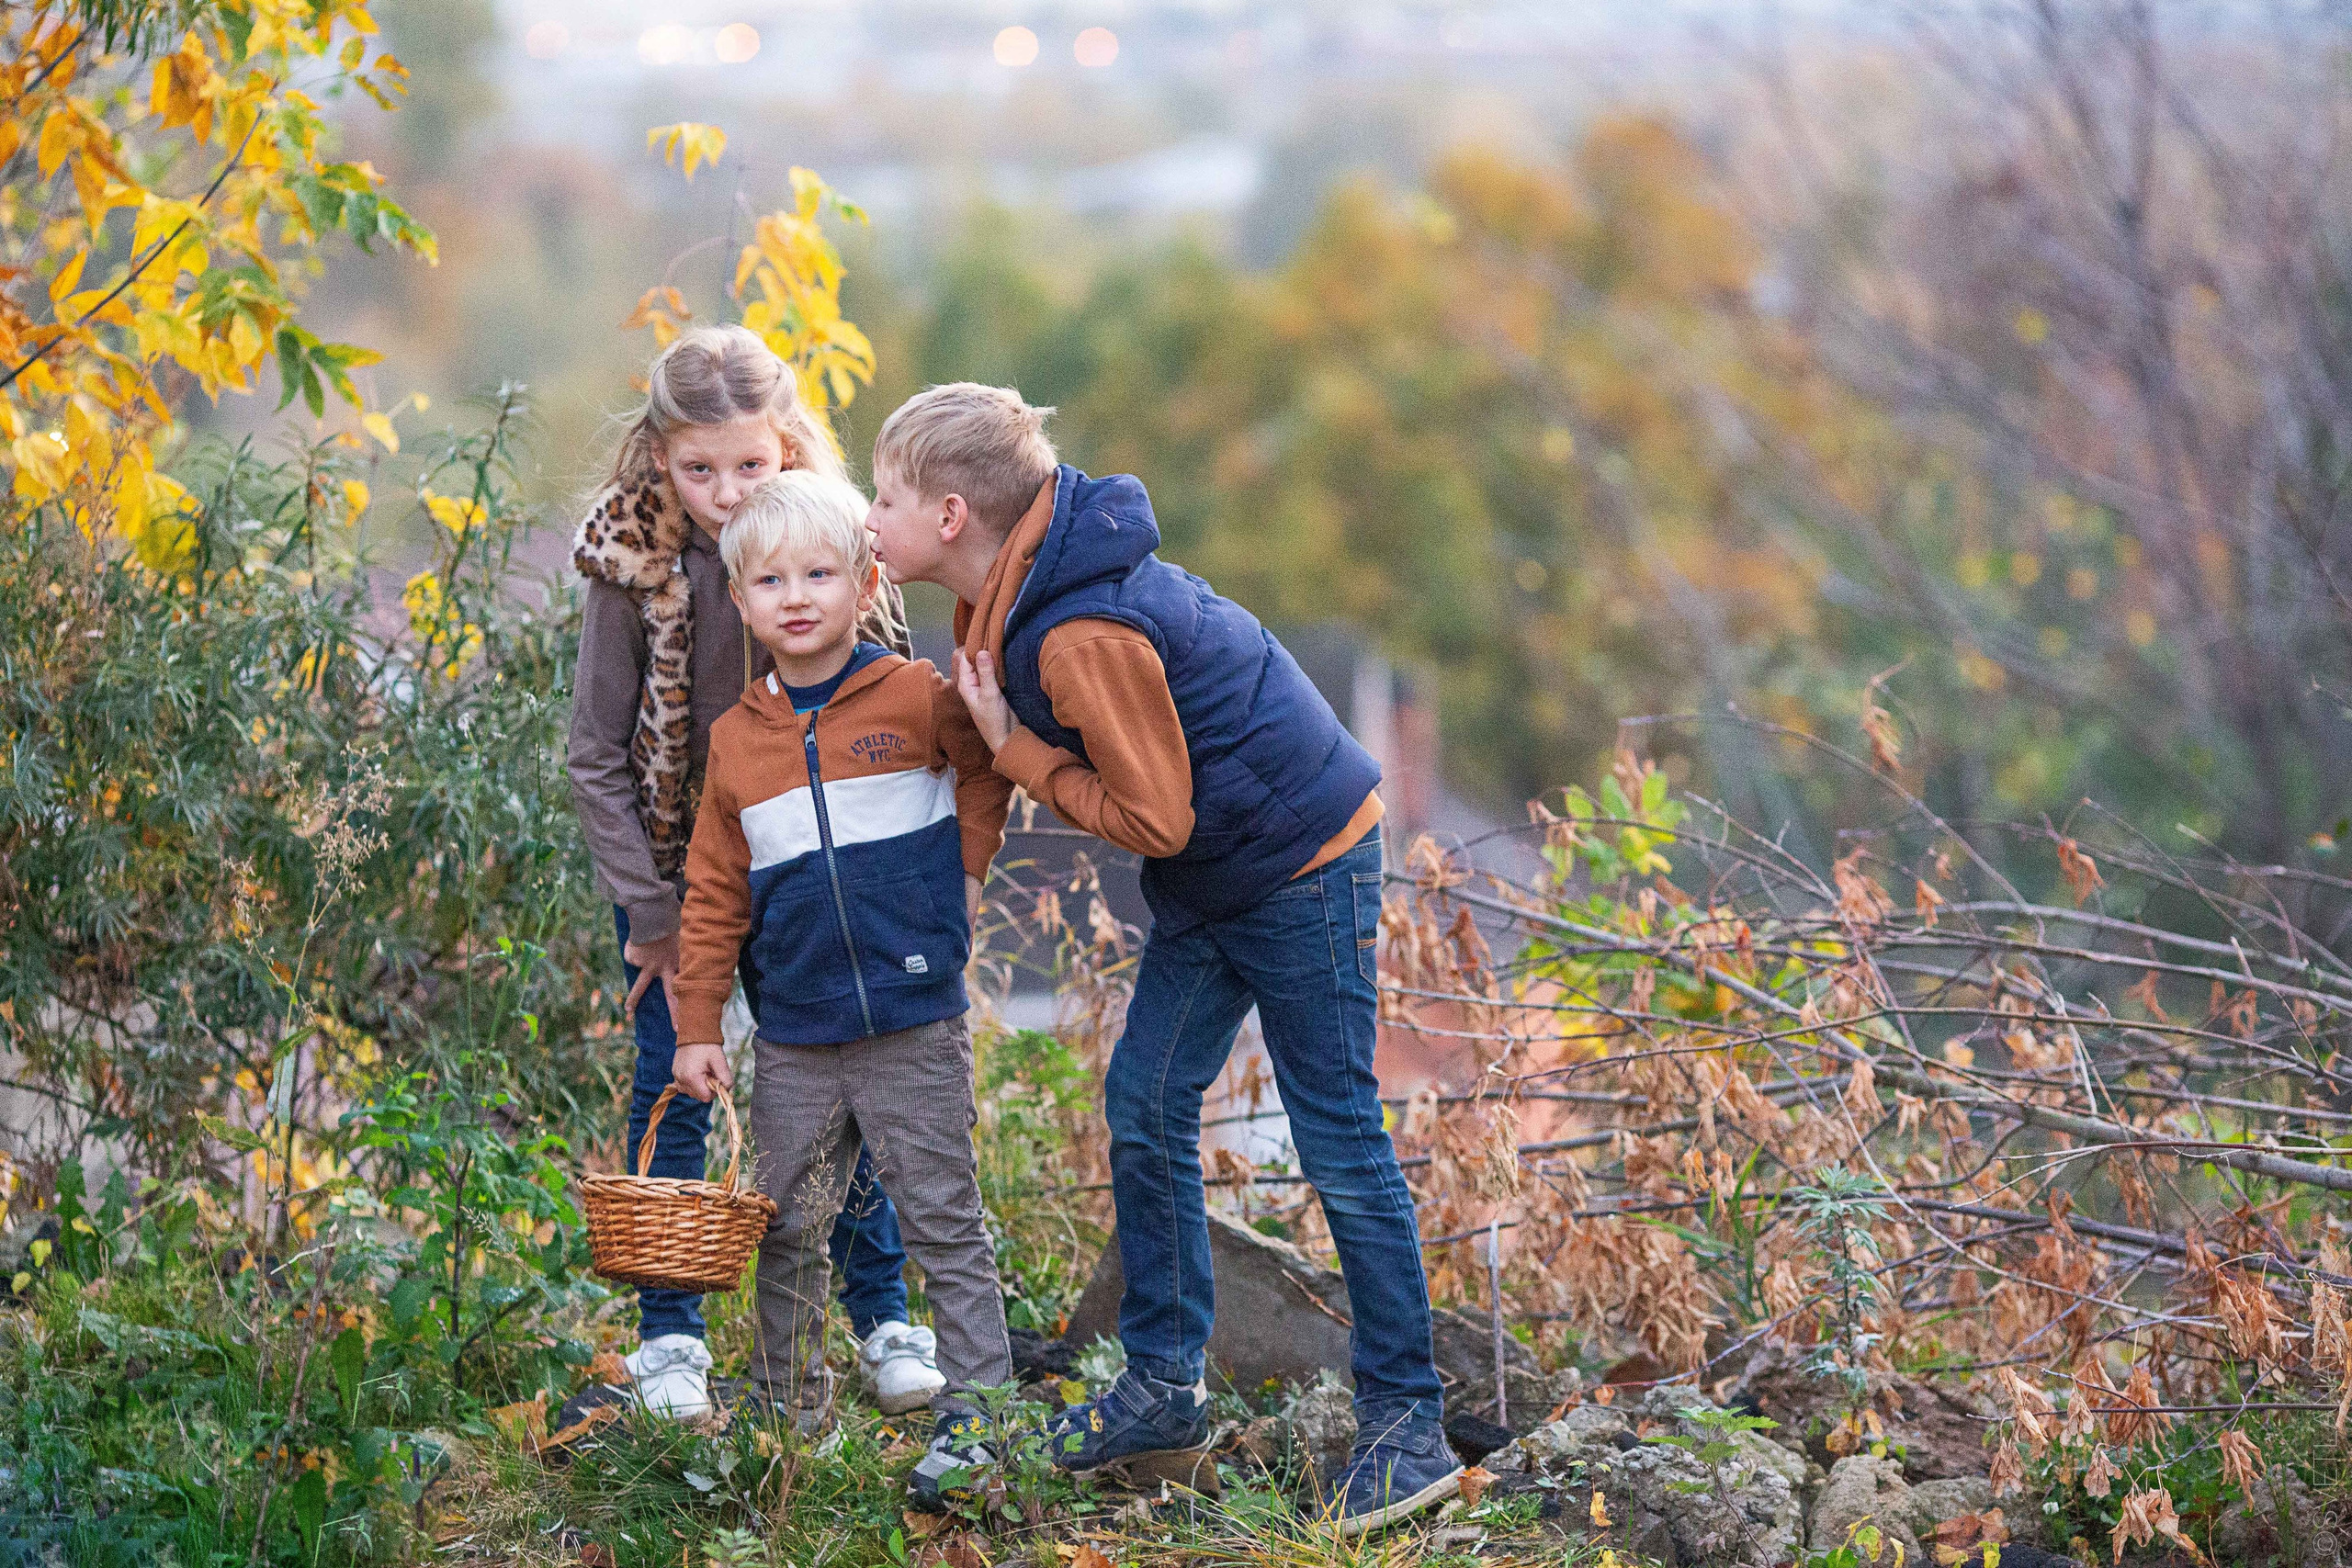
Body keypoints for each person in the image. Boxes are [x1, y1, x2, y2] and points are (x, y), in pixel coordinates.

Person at [864, 385, 1461, 1536]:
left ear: (948, 515)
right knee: (1143, 1102)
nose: (865, 520)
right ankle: (1161, 1387)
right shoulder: (1004, 596)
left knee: (1337, 1134)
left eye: (881, 499)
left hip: (1297, 863)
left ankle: (1406, 1421)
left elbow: (1155, 821)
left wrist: (1017, 750)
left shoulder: (1077, 630)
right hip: (1220, 875)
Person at [566, 325, 942, 1420]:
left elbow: (895, 714)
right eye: (697, 470)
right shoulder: (632, 566)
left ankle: (881, 1319)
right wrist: (650, 915)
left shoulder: (830, 542)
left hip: (821, 879)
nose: (726, 494)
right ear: (656, 459)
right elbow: (594, 752)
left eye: (749, 465)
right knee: (673, 1093)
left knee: (847, 1094)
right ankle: (671, 1341)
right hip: (680, 890)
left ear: (788, 447)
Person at [668, 468, 1016, 1505]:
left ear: (866, 581)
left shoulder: (915, 699)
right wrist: (698, 1027)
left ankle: (982, 1427)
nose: (797, 595)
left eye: (820, 572)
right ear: (741, 602)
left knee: (944, 1217)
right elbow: (712, 896)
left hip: (913, 1022)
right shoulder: (739, 745)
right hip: (798, 1039)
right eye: (771, 580)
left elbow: (991, 770)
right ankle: (781, 1426)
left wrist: (962, 876)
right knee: (786, 1224)